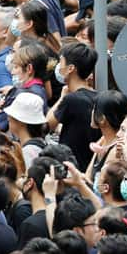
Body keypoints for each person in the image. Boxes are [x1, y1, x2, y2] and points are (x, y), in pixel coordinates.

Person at [47, 41, 100, 171]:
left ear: (70, 68)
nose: (59, 67)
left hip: (73, 168)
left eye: (61, 62)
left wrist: (62, 97)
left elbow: (47, 124)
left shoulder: (72, 99)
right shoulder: (98, 97)